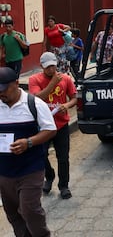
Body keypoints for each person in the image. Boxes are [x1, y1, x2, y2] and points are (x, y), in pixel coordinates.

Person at [0, 67, 56, 237]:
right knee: (13, 213)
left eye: (3, 89)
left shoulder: (34, 104)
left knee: (29, 209)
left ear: (16, 83)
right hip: (4, 172)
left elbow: (50, 129)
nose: (0, 94)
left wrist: (29, 142)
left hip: (31, 169)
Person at [28, 52, 77, 199]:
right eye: (48, 67)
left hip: (61, 124)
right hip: (42, 126)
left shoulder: (66, 78)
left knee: (63, 157)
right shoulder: (34, 79)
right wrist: (53, 83)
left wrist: (66, 105)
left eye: (53, 66)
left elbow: (74, 98)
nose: (51, 69)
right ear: (42, 66)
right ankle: (49, 176)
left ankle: (64, 186)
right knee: (41, 155)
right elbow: (37, 98)